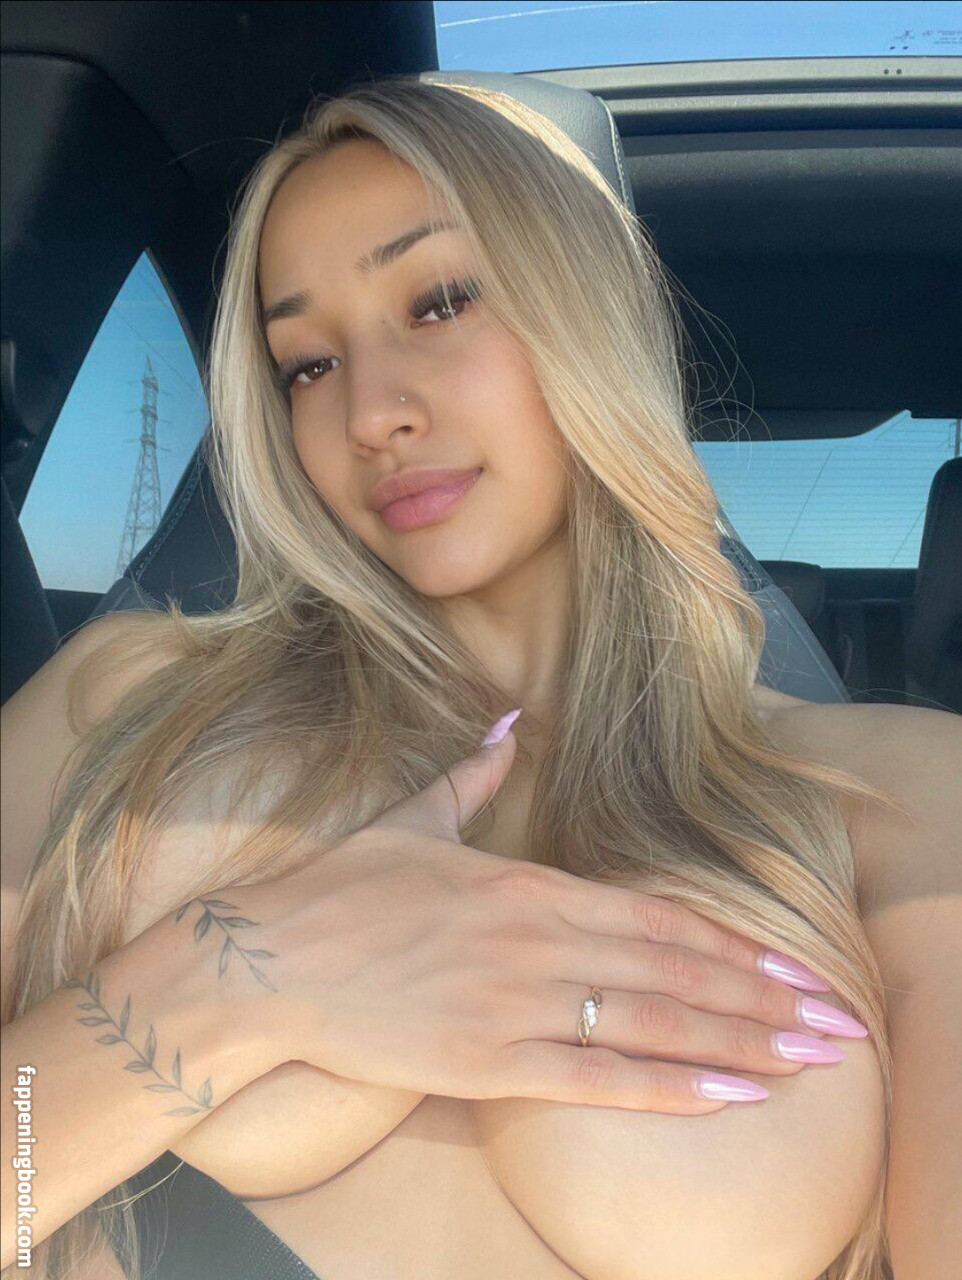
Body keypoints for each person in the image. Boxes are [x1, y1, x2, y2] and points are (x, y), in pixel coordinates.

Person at [0, 76, 905, 1280]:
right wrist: (227, 979)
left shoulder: (891, 795)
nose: (369, 412)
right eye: (307, 364)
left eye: (437, 301)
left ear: (583, 315)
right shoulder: (125, 699)